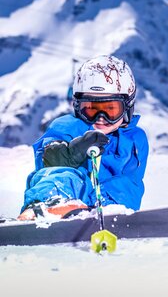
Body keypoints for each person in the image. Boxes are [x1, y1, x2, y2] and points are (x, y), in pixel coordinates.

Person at [18, 55, 149, 220]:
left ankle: (111, 213)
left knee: (126, 186)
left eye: (111, 109)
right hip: (68, 198)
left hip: (109, 204)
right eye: (91, 109)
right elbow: (47, 159)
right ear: (77, 107)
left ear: (128, 107)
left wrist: (103, 204)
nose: (101, 118)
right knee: (65, 177)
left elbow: (132, 183)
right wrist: (71, 153)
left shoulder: (135, 139)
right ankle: (44, 210)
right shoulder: (67, 126)